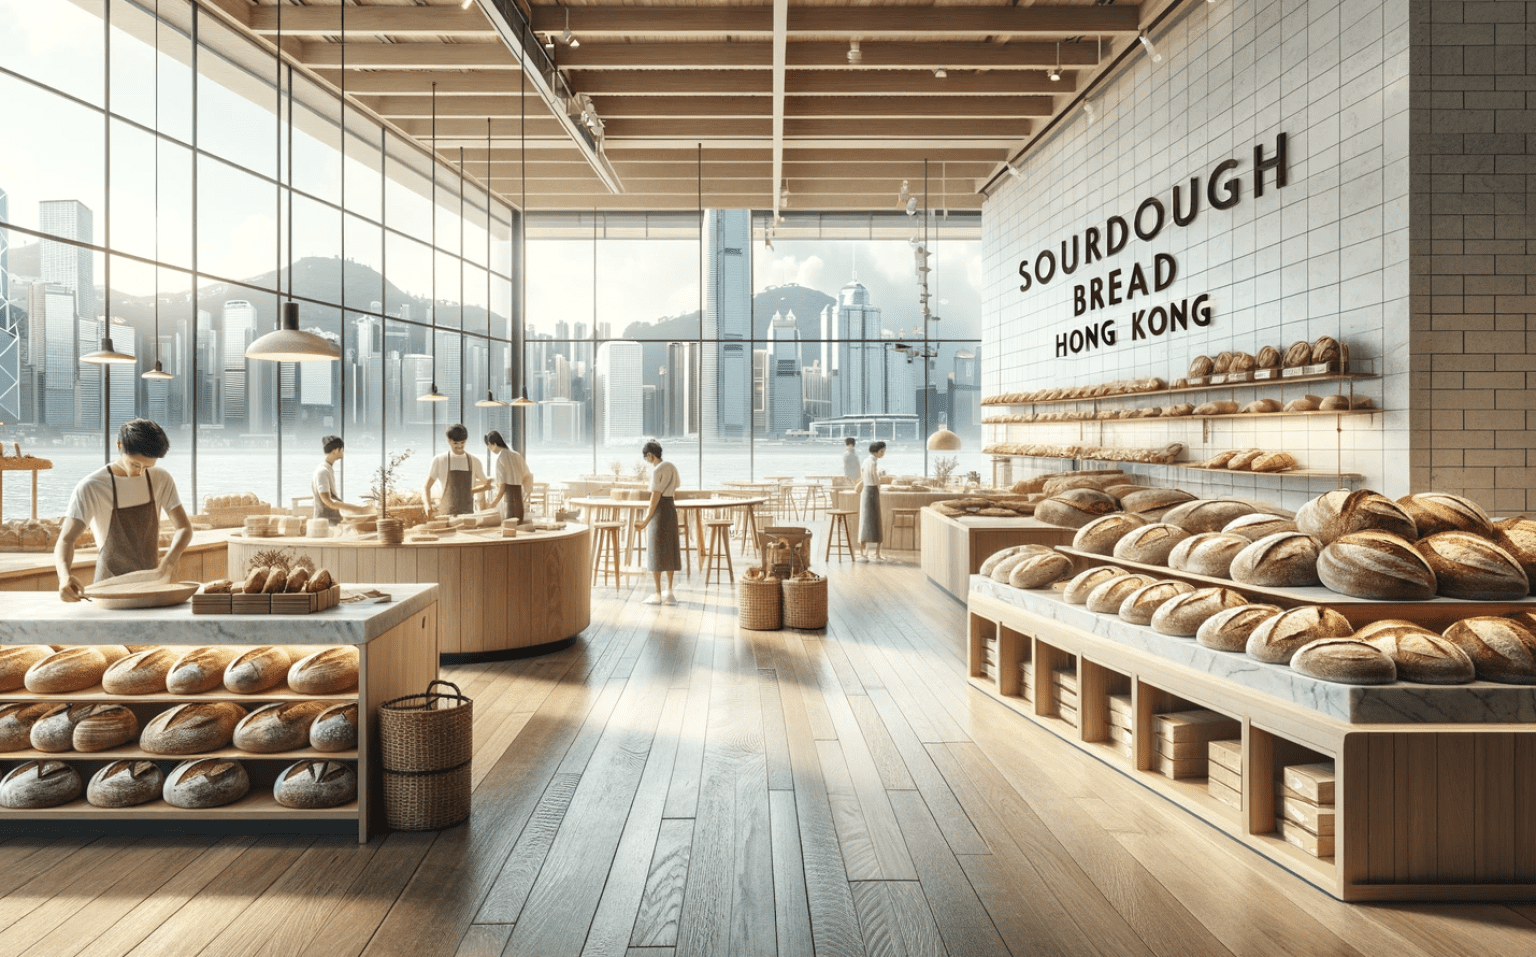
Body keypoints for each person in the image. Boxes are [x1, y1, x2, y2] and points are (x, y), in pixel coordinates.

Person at [54, 418, 193, 601]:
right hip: (109, 588)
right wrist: (64, 577)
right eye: (136, 464)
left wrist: (169, 561)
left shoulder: (161, 479)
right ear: (119, 445)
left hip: (152, 585)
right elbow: (66, 539)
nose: (141, 472)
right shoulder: (92, 486)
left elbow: (184, 528)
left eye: (148, 466)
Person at [634, 439, 680, 605]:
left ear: (650, 455)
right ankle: (670, 592)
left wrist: (646, 520)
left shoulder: (656, 471)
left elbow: (655, 496)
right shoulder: (672, 467)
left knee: (655, 551)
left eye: (646, 457)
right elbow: (677, 485)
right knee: (670, 550)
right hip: (671, 509)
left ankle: (657, 593)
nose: (646, 460)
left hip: (659, 511)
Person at [422, 423, 488, 518]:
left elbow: (484, 485)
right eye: (456, 443)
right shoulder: (439, 460)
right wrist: (427, 505)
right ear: (448, 440)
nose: (460, 446)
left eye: (462, 442)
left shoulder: (474, 461)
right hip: (446, 516)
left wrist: (483, 510)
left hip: (468, 517)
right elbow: (427, 486)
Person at [312, 435, 369, 523]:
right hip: (325, 523)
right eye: (342, 449)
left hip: (332, 520)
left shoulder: (328, 469)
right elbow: (328, 501)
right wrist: (357, 509)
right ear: (335, 450)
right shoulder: (322, 471)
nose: (343, 452)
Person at [484, 430, 533, 522]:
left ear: (493, 444)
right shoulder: (516, 455)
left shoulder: (500, 460)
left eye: (488, 446)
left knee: (510, 530)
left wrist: (493, 503)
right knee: (519, 532)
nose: (489, 449)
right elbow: (527, 475)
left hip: (509, 504)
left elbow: (502, 488)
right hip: (519, 502)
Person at [853, 440, 887, 563]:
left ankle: (864, 554)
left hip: (866, 492)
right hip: (872, 491)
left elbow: (864, 476)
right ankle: (876, 554)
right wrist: (880, 474)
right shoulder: (872, 462)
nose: (883, 453)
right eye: (882, 451)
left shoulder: (867, 461)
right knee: (876, 522)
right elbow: (874, 477)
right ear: (876, 451)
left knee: (865, 522)